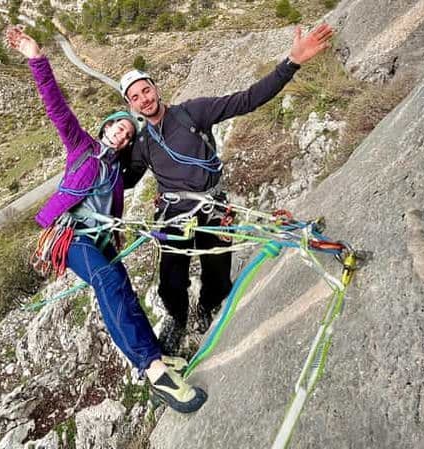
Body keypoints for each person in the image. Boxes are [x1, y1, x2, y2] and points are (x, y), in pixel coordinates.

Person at [4, 26, 206, 413]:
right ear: (105, 128)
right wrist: (36, 58)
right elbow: (57, 108)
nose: (122, 135)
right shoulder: (81, 148)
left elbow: (139, 184)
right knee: (108, 282)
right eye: (118, 127)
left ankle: (155, 356)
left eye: (127, 134)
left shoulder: (116, 175)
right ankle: (154, 371)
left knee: (123, 290)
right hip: (70, 236)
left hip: (98, 240)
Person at [120, 24, 335, 354]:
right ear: (131, 106)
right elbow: (125, 181)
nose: (143, 99)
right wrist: (106, 153)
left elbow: (246, 100)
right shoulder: (142, 143)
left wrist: (291, 62)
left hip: (213, 206)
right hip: (173, 214)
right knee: (171, 280)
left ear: (156, 89)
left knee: (218, 275)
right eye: (135, 97)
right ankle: (178, 319)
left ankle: (208, 307)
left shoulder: (193, 112)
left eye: (145, 91)